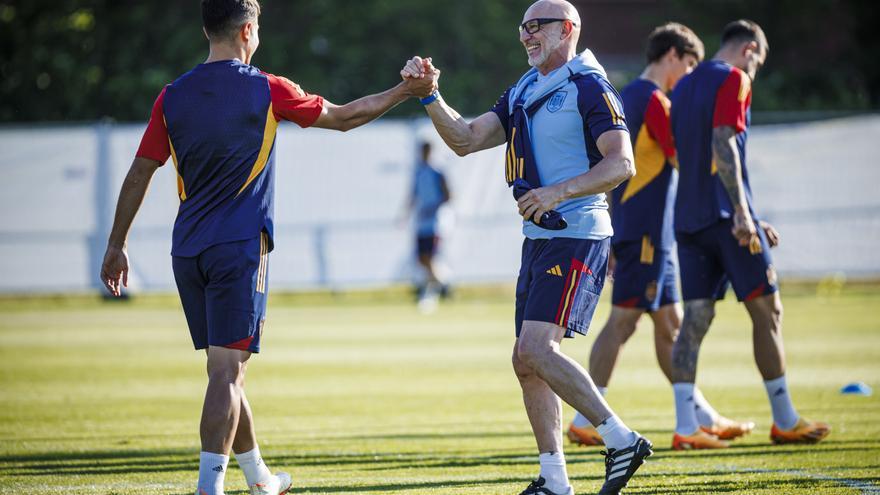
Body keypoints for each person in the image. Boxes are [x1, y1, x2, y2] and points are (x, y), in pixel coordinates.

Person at [98, 1, 436, 494]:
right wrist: (408, 89)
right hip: (238, 249)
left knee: (225, 370)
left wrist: (116, 245)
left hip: (187, 252)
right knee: (227, 376)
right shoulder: (266, 87)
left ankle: (261, 479)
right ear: (248, 30)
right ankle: (208, 488)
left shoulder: (171, 96)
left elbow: (138, 172)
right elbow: (344, 117)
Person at [402, 1, 651, 493]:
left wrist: (557, 192)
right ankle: (554, 480)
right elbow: (466, 139)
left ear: (569, 30)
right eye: (524, 27)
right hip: (539, 238)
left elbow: (622, 164)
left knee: (537, 348)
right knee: (525, 358)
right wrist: (430, 94)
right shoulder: (523, 88)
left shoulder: (589, 85)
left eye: (538, 27)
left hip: (577, 232)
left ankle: (620, 438)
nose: (527, 35)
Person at [567, 23, 754, 448]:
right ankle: (584, 416)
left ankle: (698, 415)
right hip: (649, 230)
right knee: (623, 322)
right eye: (688, 65)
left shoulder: (628, 95)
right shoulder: (654, 102)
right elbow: (684, 158)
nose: (689, 76)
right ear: (671, 55)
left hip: (646, 229)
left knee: (670, 326)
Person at [668, 19, 830, 449]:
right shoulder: (736, 79)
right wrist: (743, 213)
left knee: (695, 320)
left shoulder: (681, 87)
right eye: (759, 60)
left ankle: (685, 426)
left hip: (688, 219)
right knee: (768, 311)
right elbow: (724, 144)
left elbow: (683, 156)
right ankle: (785, 418)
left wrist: (747, 213)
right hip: (727, 221)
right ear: (750, 50)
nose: (756, 68)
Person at [403, 141, 451, 305]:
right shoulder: (418, 172)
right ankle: (442, 285)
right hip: (421, 222)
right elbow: (413, 194)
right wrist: (405, 214)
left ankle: (433, 289)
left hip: (435, 222)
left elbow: (448, 195)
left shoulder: (437, 171)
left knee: (430, 258)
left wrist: (432, 208)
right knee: (422, 259)